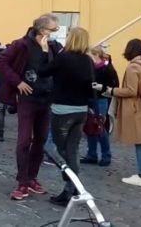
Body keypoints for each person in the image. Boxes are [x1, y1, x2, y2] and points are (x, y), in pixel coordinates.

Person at [0, 13, 62, 201]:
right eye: (53, 30)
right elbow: (1, 61)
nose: (56, 33)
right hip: (27, 99)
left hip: (46, 98)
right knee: (24, 140)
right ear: (42, 30)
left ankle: (32, 177)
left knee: (40, 140)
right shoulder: (21, 45)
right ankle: (22, 182)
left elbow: (60, 64)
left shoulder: (54, 46)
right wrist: (17, 82)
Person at [36, 27, 94, 206]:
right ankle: (73, 187)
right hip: (81, 110)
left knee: (58, 151)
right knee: (73, 150)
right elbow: (90, 86)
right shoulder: (88, 61)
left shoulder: (64, 57)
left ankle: (69, 187)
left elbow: (43, 71)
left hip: (63, 110)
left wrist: (45, 52)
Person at [98, 39, 141, 187]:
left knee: (140, 143)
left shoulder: (133, 67)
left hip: (136, 108)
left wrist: (112, 90)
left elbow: (131, 91)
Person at [80, 46, 119, 166]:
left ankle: (106, 155)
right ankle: (92, 154)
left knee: (99, 127)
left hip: (101, 99)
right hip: (89, 99)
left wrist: (101, 87)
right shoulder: (90, 68)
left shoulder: (107, 69)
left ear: (96, 55)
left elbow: (114, 85)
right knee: (90, 127)